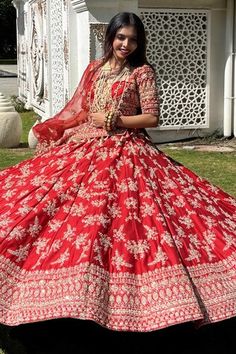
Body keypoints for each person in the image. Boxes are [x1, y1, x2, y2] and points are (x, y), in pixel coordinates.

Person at [0, 12, 235, 333]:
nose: (126, 44)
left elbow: (152, 118)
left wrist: (116, 120)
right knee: (53, 206)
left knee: (125, 217)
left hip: (126, 148)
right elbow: (81, 109)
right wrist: (65, 128)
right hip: (86, 145)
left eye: (133, 39)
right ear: (109, 37)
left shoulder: (142, 73)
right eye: (121, 37)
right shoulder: (94, 69)